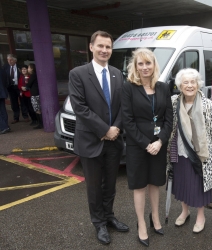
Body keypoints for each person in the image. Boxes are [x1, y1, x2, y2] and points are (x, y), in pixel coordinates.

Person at [68, 30, 129, 245]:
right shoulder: (78, 74)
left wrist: (116, 128)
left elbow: (123, 106)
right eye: (100, 46)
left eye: (108, 47)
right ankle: (99, 223)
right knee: (94, 187)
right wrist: (105, 130)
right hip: (91, 140)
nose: (104, 50)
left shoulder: (117, 73)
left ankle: (109, 216)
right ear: (91, 47)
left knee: (110, 184)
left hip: (114, 140)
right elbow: (80, 108)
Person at [122, 48, 172, 247]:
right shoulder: (128, 88)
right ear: (135, 66)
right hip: (137, 146)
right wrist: (146, 144)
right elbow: (127, 120)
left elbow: (169, 118)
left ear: (154, 65)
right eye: (140, 64)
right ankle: (141, 223)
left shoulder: (163, 87)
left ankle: (155, 218)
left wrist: (160, 141)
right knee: (140, 184)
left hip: (158, 145)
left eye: (148, 63)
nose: (144, 67)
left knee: (155, 182)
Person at [166, 68, 212, 233]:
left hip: (200, 156)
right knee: (182, 184)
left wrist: (211, 158)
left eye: (193, 82)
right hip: (180, 152)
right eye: (186, 82)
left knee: (199, 187)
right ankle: (184, 211)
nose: (190, 85)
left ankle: (200, 216)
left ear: (198, 84)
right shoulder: (174, 102)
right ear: (180, 85)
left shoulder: (209, 106)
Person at [3, 54, 29, 123]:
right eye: (8, 60)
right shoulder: (5, 67)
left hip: (19, 87)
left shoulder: (19, 67)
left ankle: (25, 116)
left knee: (23, 101)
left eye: (11, 60)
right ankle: (16, 117)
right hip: (11, 87)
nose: (9, 61)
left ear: (15, 60)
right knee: (14, 103)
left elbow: (24, 75)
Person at [25, 63, 43, 129]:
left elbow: (28, 84)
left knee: (37, 109)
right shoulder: (35, 75)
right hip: (36, 93)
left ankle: (40, 123)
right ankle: (40, 123)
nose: (28, 69)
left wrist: (25, 86)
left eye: (29, 68)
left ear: (32, 68)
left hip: (35, 94)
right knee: (37, 108)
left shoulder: (33, 75)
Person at [0, 65, 10, 135]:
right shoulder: (3, 71)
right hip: (3, 92)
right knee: (3, 110)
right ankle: (6, 126)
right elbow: (7, 82)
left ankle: (4, 127)